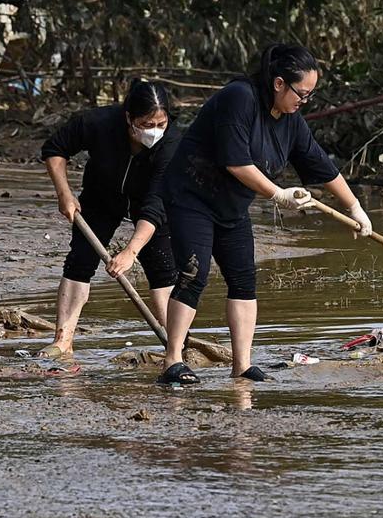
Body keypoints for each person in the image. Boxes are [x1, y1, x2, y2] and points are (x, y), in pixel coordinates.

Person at [152, 43, 371, 385]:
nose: (305, 101)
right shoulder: (239, 98)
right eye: (302, 92)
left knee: (243, 280)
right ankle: (173, 361)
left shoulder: (290, 120)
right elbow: (236, 161)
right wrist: (278, 194)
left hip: (232, 206)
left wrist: (354, 206)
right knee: (195, 273)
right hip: (191, 197)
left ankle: (241, 365)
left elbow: (320, 164)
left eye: (311, 95)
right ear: (279, 83)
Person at [40, 79, 179, 357]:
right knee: (79, 262)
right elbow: (55, 148)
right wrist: (64, 194)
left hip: (148, 204)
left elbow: (155, 205)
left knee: (163, 271)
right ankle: (63, 340)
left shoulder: (172, 144)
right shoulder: (99, 123)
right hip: (101, 196)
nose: (154, 131)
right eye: (146, 124)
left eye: (160, 124)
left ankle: (175, 345)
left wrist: (131, 251)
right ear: (129, 118)